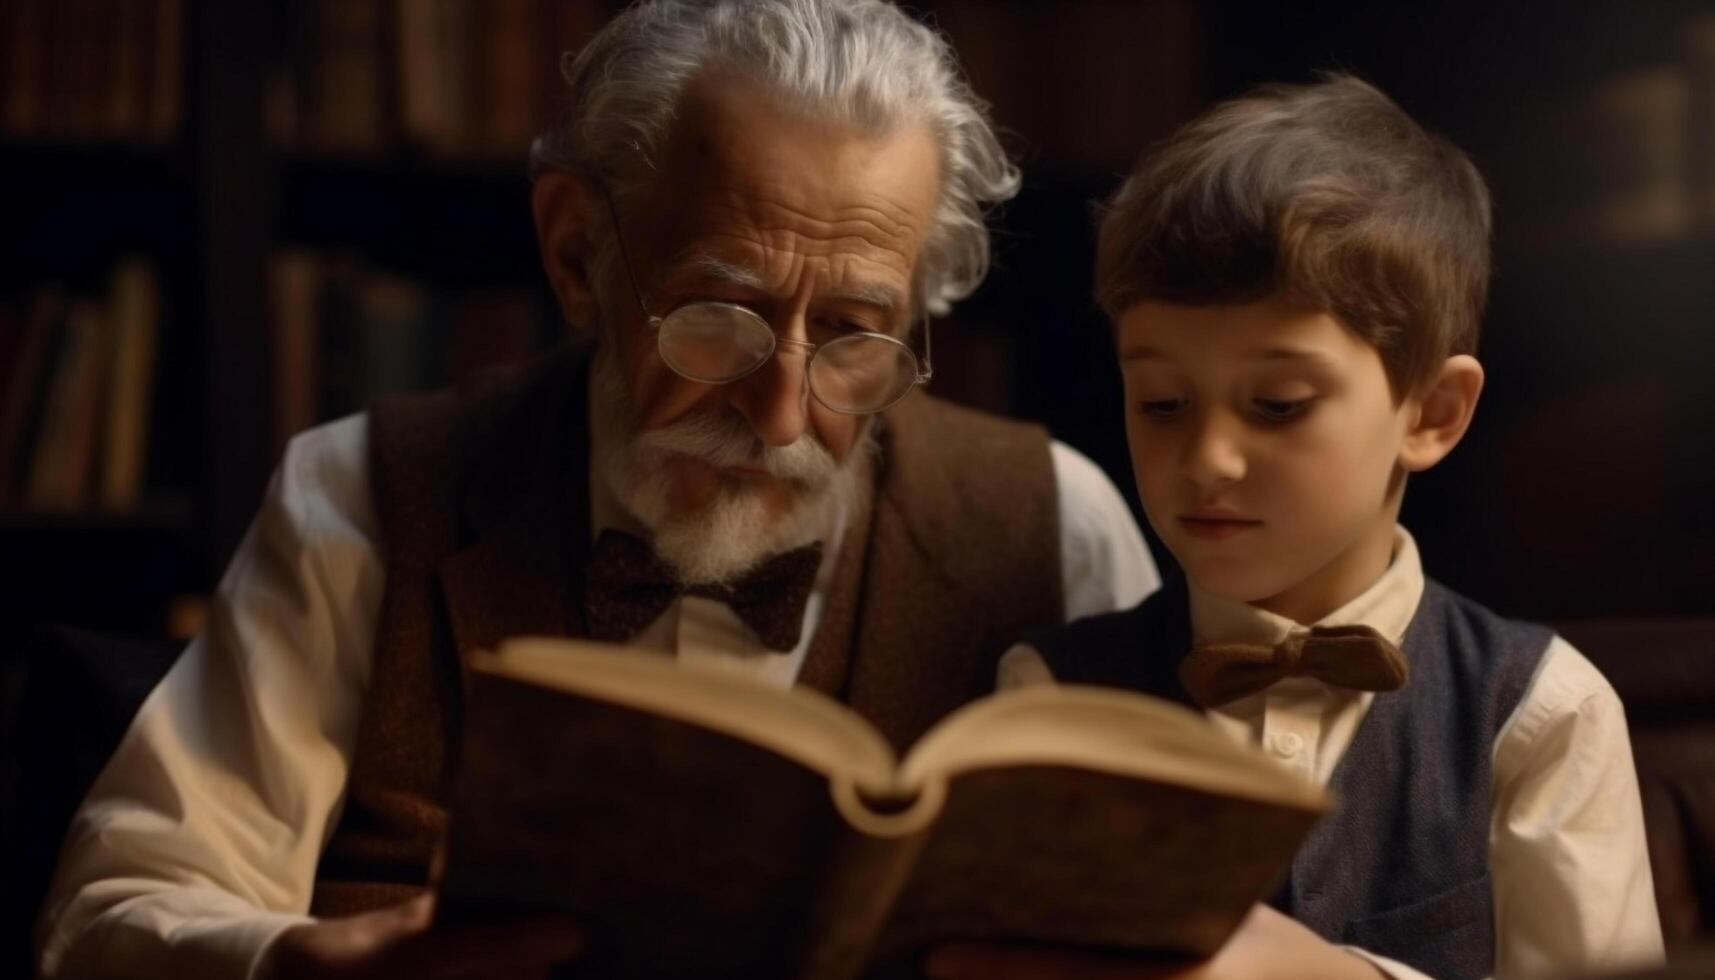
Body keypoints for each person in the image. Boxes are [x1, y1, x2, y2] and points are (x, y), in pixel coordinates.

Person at [34, 2, 1158, 978]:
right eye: (719, 316)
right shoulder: (362, 500)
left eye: (856, 334)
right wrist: (292, 963)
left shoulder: (1051, 524)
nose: (778, 418)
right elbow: (110, 915)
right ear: (577, 253)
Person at [932, 76, 1666, 980]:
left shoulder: (1543, 712)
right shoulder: (1051, 695)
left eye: (1276, 406)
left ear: (1431, 412)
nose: (1206, 458)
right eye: (1160, 402)